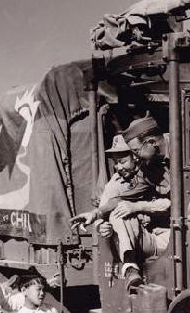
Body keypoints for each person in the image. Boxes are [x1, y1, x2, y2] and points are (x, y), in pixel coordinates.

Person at [71, 117, 171, 291]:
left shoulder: (176, 152)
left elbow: (176, 203)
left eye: (124, 160)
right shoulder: (141, 171)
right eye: (116, 162)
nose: (118, 167)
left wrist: (137, 206)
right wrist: (95, 214)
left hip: (176, 236)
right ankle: (130, 267)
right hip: (151, 238)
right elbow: (118, 199)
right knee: (119, 212)